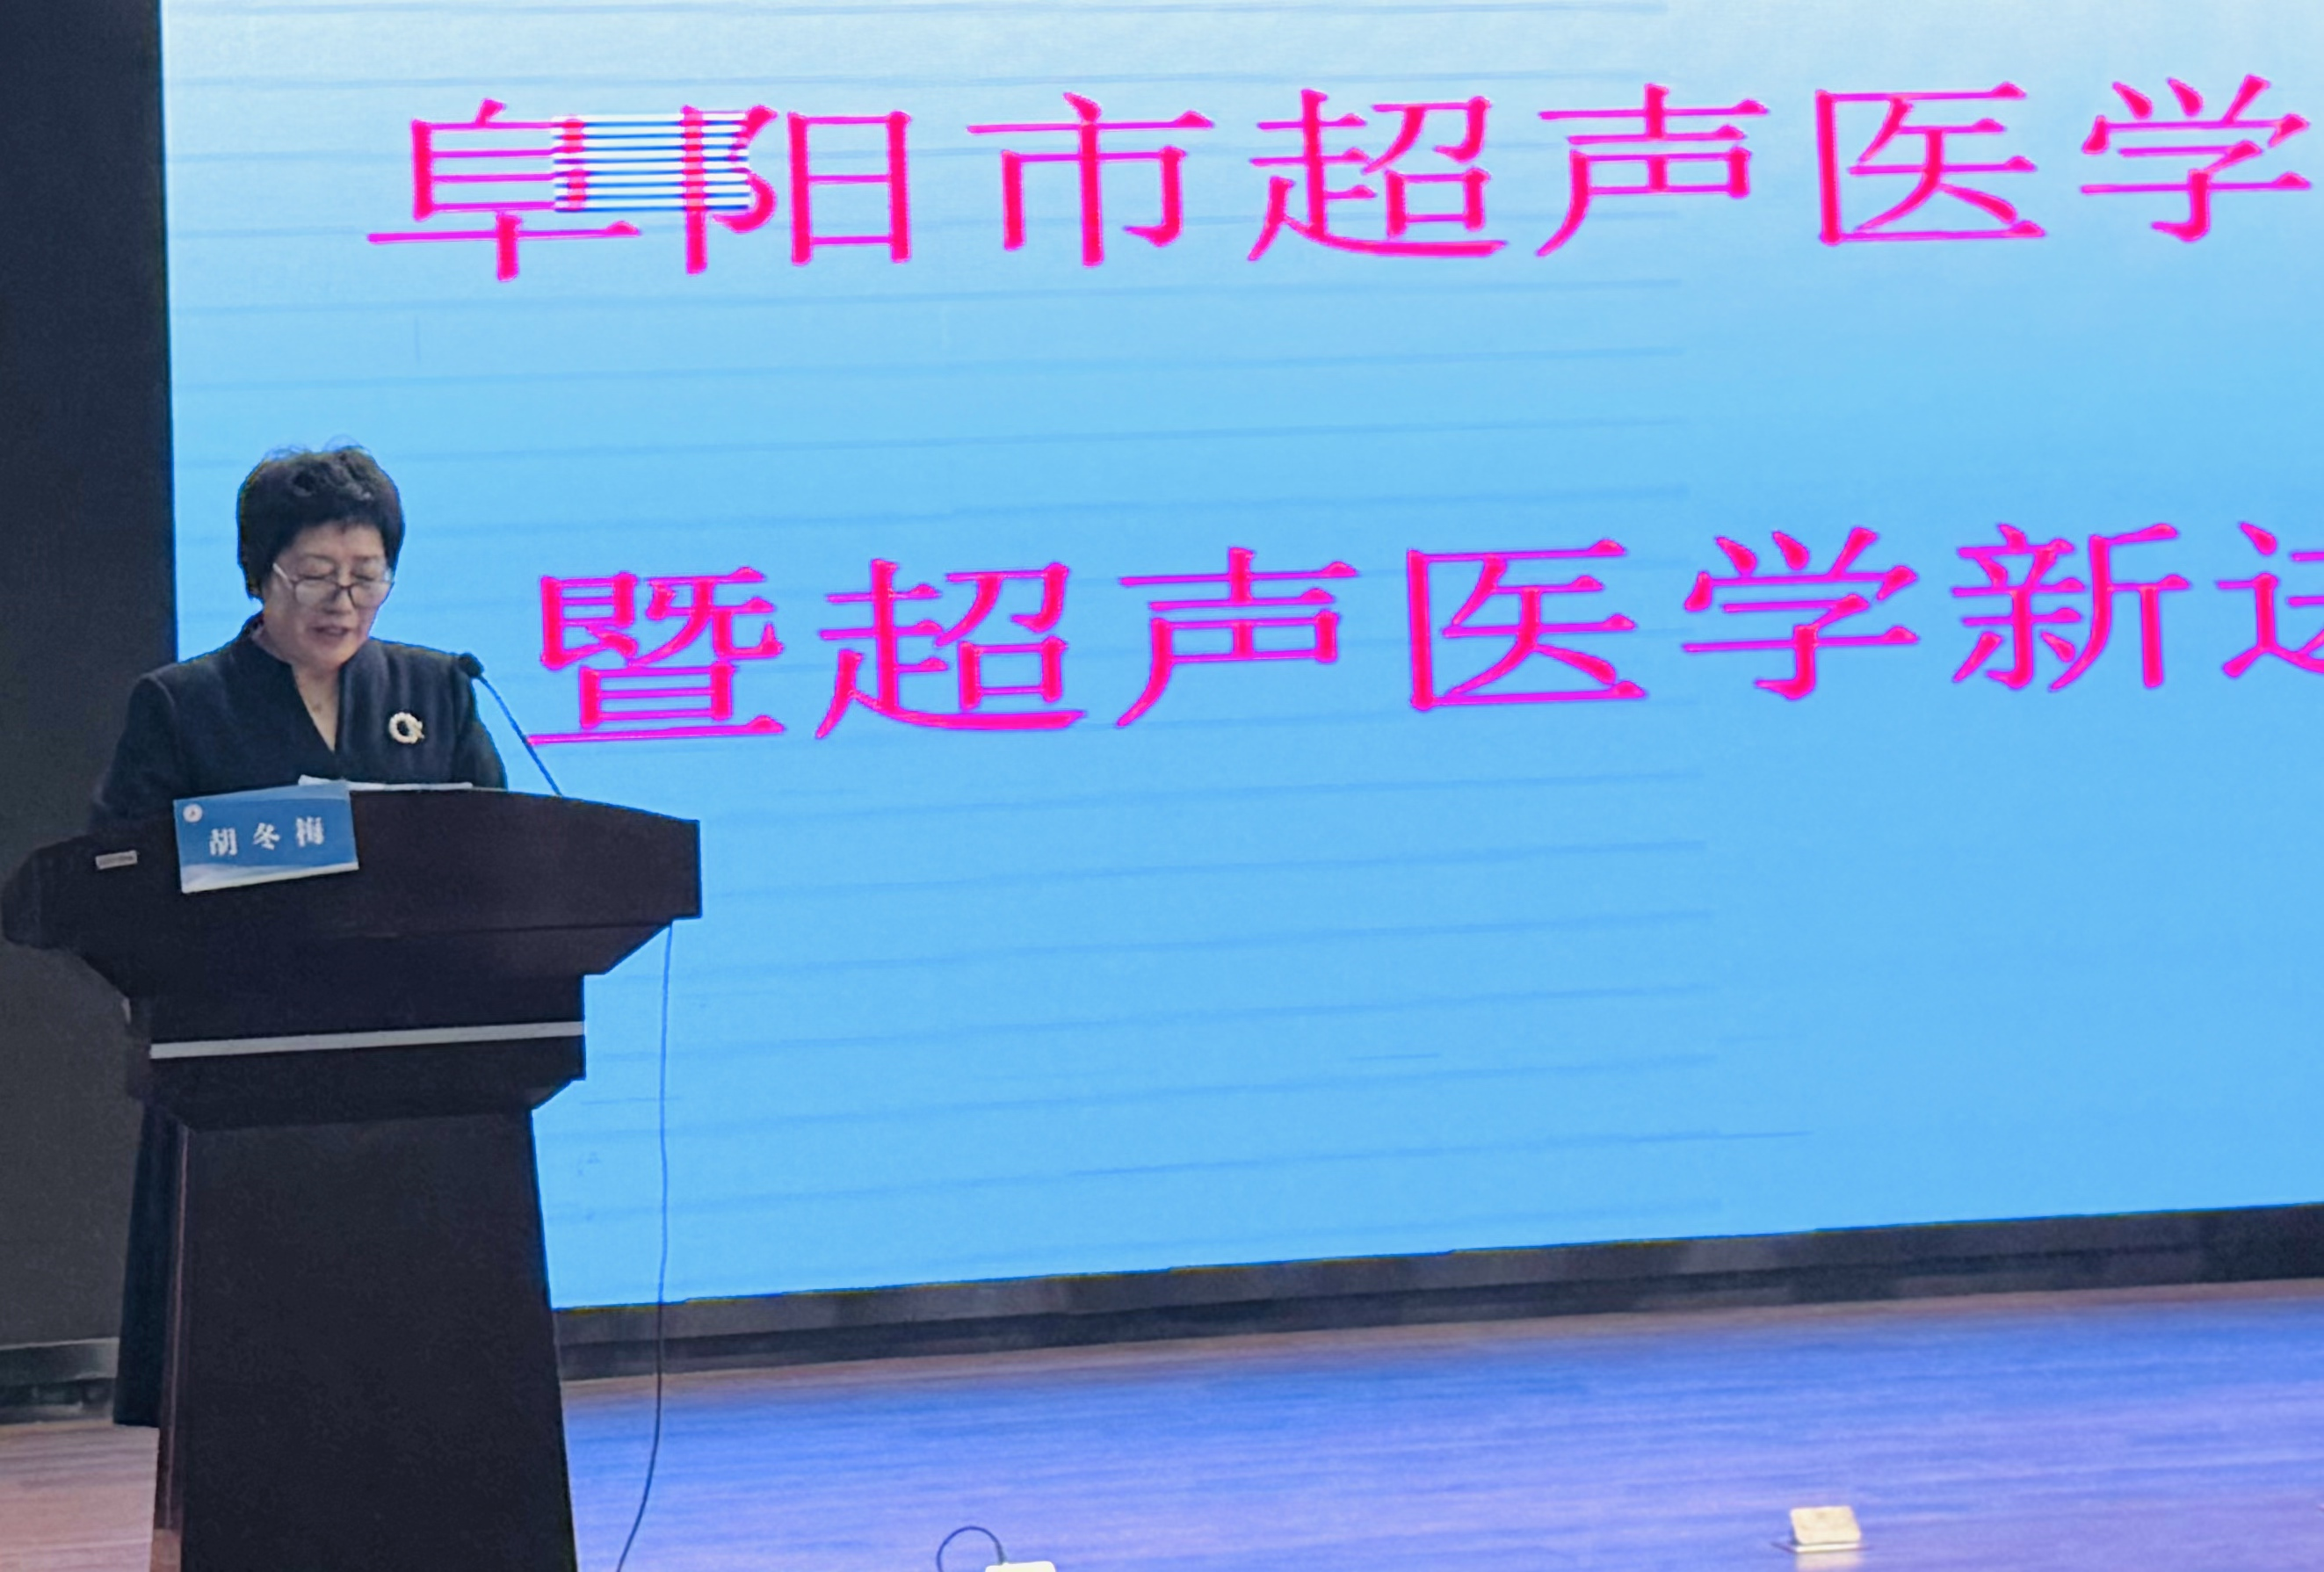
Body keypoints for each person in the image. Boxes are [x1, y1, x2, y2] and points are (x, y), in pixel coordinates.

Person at [92, 446, 507, 1426]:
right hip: (239, 1069)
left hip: (412, 1067)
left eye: (367, 576)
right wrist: (304, 837)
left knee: (415, 1379)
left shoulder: (437, 689)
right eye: (315, 575)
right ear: (259, 574)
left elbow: (497, 850)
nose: (343, 601)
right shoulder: (182, 704)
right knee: (254, 1380)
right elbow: (119, 876)